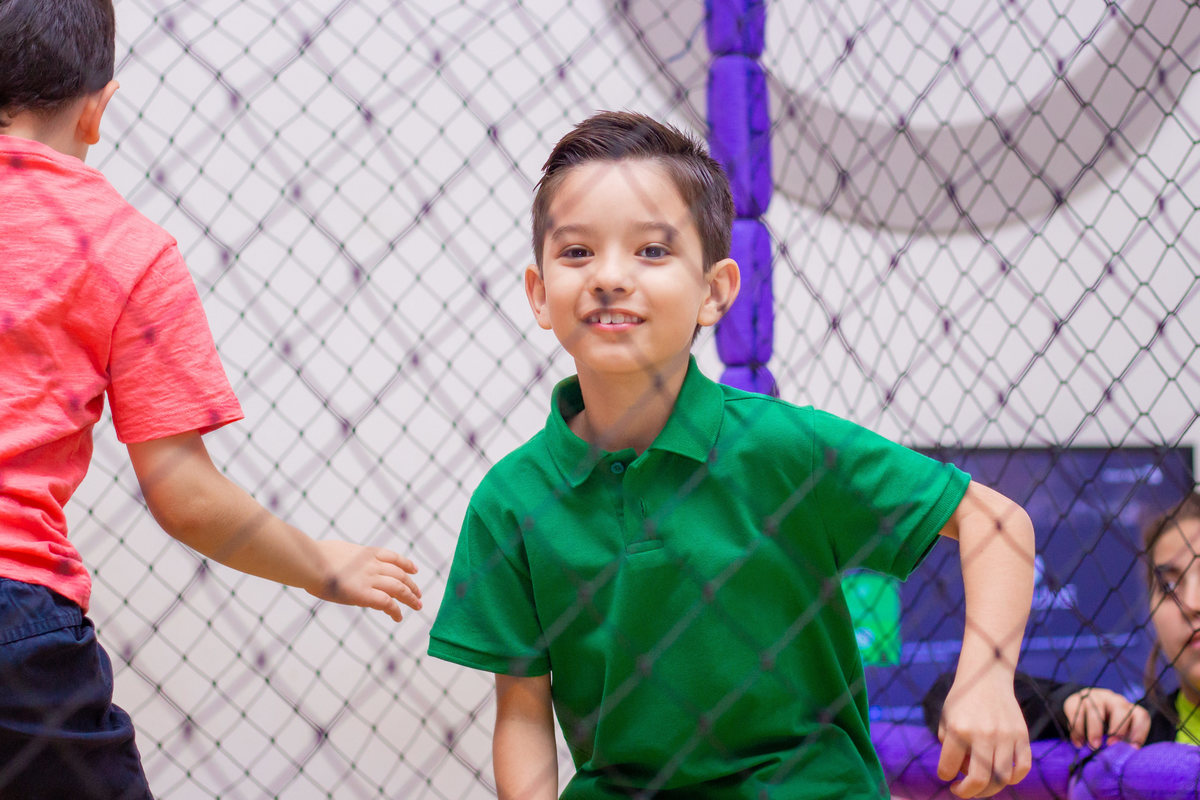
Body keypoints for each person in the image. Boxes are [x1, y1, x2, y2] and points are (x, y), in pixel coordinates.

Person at [427, 110, 1037, 799]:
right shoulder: (509, 501)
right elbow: (523, 711)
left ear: (714, 292)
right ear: (541, 294)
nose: (609, 277)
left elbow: (998, 523)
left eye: (652, 252)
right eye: (576, 253)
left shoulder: (786, 449)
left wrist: (985, 680)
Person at [0, 1, 422, 796]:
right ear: (98, 108)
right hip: (15, 624)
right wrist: (318, 567)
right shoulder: (126, 247)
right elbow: (183, 493)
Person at [924, 491, 1200, 749]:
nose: (1191, 604)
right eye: (1169, 587)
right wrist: (1066, 703)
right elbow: (947, 694)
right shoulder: (1134, 736)